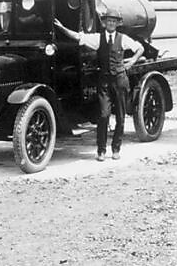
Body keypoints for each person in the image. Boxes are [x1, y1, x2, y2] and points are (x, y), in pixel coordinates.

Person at [54, 9, 142, 161]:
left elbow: (140, 48)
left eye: (114, 21)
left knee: (120, 117)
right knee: (103, 115)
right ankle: (101, 150)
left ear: (117, 23)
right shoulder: (97, 38)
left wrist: (132, 61)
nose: (111, 23)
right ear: (104, 23)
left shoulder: (123, 38)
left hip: (120, 80)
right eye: (108, 21)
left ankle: (116, 149)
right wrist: (61, 28)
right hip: (104, 82)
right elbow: (78, 36)